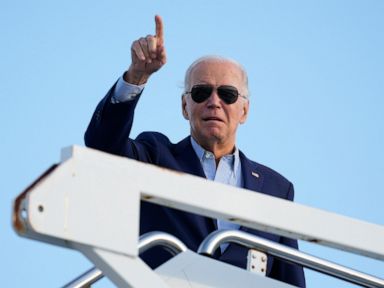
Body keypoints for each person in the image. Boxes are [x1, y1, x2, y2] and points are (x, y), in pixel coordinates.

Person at [85, 15, 305, 287]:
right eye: (201, 93)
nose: (214, 102)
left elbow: (290, 280)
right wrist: (136, 76)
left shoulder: (276, 188)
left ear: (244, 110)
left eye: (228, 94)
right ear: (185, 107)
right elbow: (101, 145)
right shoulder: (155, 156)